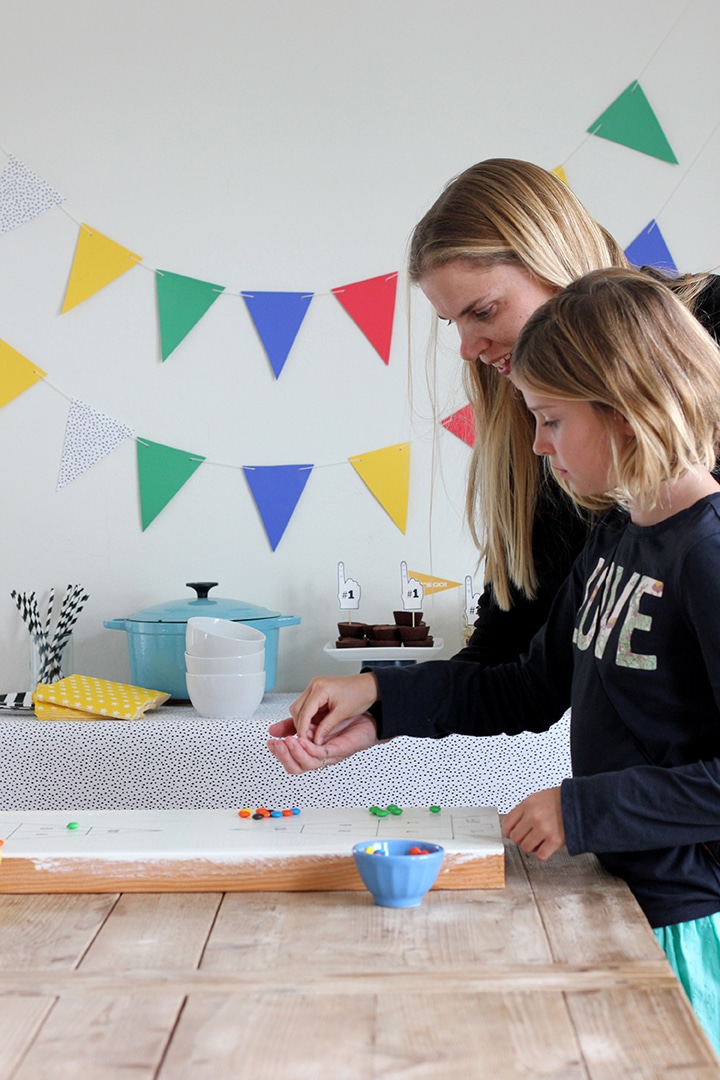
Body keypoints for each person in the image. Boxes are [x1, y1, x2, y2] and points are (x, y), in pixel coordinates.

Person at [269, 269, 720, 1052]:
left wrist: (581, 810)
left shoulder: (706, 558)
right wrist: (379, 702)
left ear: (625, 413)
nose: (539, 446)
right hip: (628, 895)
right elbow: (524, 687)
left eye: (550, 420)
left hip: (691, 921)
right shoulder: (615, 539)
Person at [407, 158, 720, 666]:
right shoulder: (542, 438)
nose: (468, 348)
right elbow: (517, 658)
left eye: (483, 311)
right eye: (451, 323)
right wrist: (384, 699)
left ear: (552, 262)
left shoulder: (710, 327)